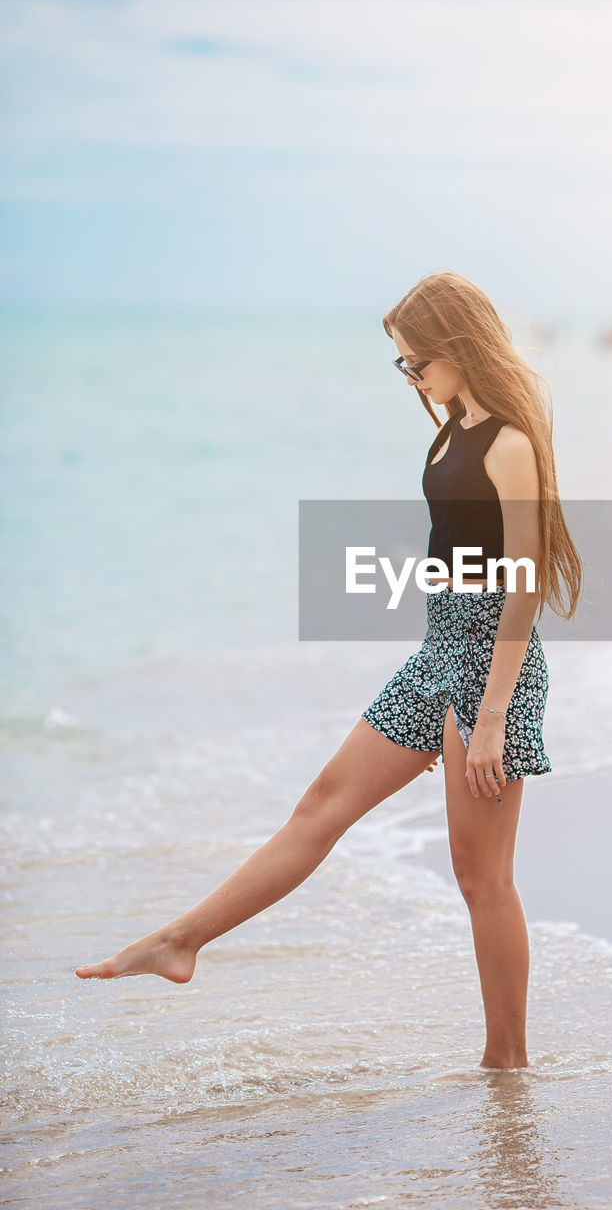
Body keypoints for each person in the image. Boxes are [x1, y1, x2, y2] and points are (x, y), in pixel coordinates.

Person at [75, 270, 583, 1070]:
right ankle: (181, 941)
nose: (409, 377)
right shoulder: (449, 427)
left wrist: (489, 718)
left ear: (457, 348)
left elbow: (523, 582)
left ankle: (506, 1066)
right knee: (320, 804)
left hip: (493, 663)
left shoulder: (509, 443)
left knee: (480, 877)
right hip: (436, 649)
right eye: (401, 365)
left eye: (416, 362)